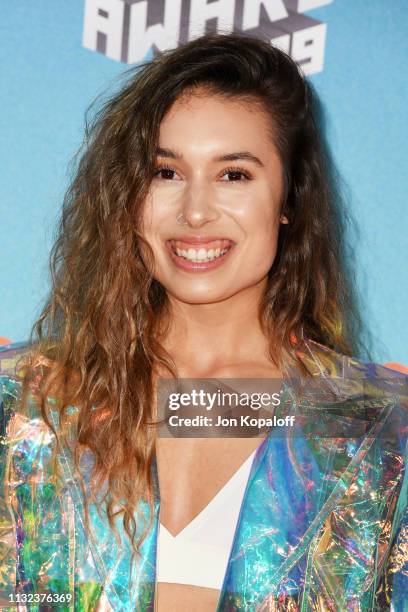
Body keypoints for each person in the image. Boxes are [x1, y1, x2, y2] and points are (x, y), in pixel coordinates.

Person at [0, 33, 407, 612]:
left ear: (289, 196)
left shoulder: (380, 431)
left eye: (234, 174)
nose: (194, 211)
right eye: (165, 172)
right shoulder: (22, 406)